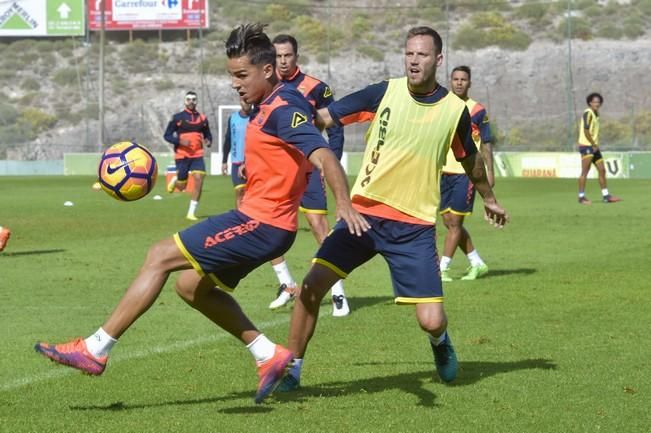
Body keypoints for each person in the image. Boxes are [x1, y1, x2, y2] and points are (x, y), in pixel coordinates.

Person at [34, 23, 369, 405]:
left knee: (159, 256)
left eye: (242, 75)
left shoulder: (284, 108)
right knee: (191, 287)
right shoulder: (268, 106)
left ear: (268, 70)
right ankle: (267, 354)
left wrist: (343, 202)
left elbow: (322, 153)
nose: (235, 83)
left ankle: (96, 348)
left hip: (262, 223)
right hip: (264, 222)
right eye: (231, 76)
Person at [268, 26, 509, 395]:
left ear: (438, 60)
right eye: (409, 53)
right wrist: (281, 115)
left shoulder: (454, 111)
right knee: (311, 288)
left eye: (423, 55)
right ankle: (292, 370)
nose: (414, 60)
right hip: (361, 216)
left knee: (430, 320)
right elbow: (325, 117)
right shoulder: (383, 91)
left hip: (412, 227)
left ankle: (441, 341)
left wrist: (489, 197)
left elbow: (470, 157)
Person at [268, 34, 350, 317]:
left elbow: (336, 127)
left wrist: (331, 164)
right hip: (278, 170)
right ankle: (287, 284)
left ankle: (338, 292)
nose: (282, 60)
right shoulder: (267, 87)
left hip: (310, 167)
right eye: (277, 56)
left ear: (296, 56)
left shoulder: (316, 88)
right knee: (264, 225)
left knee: (318, 226)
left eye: (287, 55)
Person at [439, 66, 494, 282]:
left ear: (469, 83)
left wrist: (490, 173)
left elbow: (487, 145)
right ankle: (477, 263)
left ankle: (441, 269)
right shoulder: (443, 106)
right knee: (448, 222)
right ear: (450, 81)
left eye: (463, 79)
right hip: (444, 172)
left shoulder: (477, 110)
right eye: (456, 79)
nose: (459, 83)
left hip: (467, 172)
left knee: (455, 223)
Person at [163, 91, 213, 221]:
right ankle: (175, 180)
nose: (191, 102)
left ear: (196, 101)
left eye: (194, 99)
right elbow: (167, 135)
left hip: (197, 155)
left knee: (199, 179)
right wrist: (179, 141)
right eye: (189, 99)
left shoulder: (202, 118)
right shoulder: (177, 118)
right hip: (182, 156)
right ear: (185, 101)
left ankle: (191, 213)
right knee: (182, 187)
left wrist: (208, 140)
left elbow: (207, 134)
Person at [577, 93, 621, 204]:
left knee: (602, 170)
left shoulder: (596, 113)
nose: (597, 104)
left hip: (594, 147)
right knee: (584, 172)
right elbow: (586, 130)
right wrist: (593, 144)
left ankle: (606, 196)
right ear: (590, 102)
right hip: (587, 146)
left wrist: (595, 145)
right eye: (595, 102)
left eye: (598, 102)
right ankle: (581, 197)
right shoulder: (588, 113)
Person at [222, 98, 251, 209]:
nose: (246, 103)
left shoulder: (256, 117)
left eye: (248, 101)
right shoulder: (233, 118)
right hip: (236, 162)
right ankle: (240, 222)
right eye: (244, 101)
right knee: (240, 192)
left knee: (253, 195)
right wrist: (224, 161)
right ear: (240, 101)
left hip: (254, 162)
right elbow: (228, 140)